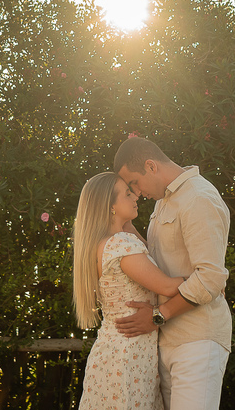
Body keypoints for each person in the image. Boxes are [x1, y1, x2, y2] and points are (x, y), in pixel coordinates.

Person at [113, 137, 231, 410]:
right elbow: (157, 264)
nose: (136, 192)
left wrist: (157, 316)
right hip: (166, 338)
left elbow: (210, 278)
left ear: (151, 166)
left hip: (197, 337)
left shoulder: (198, 198)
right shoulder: (164, 202)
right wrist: (121, 223)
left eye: (134, 183)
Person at [73, 171, 187, 410]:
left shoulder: (106, 243)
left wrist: (127, 223)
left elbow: (150, 261)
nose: (135, 196)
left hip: (114, 355)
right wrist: (208, 281)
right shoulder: (121, 245)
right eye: (127, 193)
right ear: (110, 206)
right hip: (128, 361)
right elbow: (166, 285)